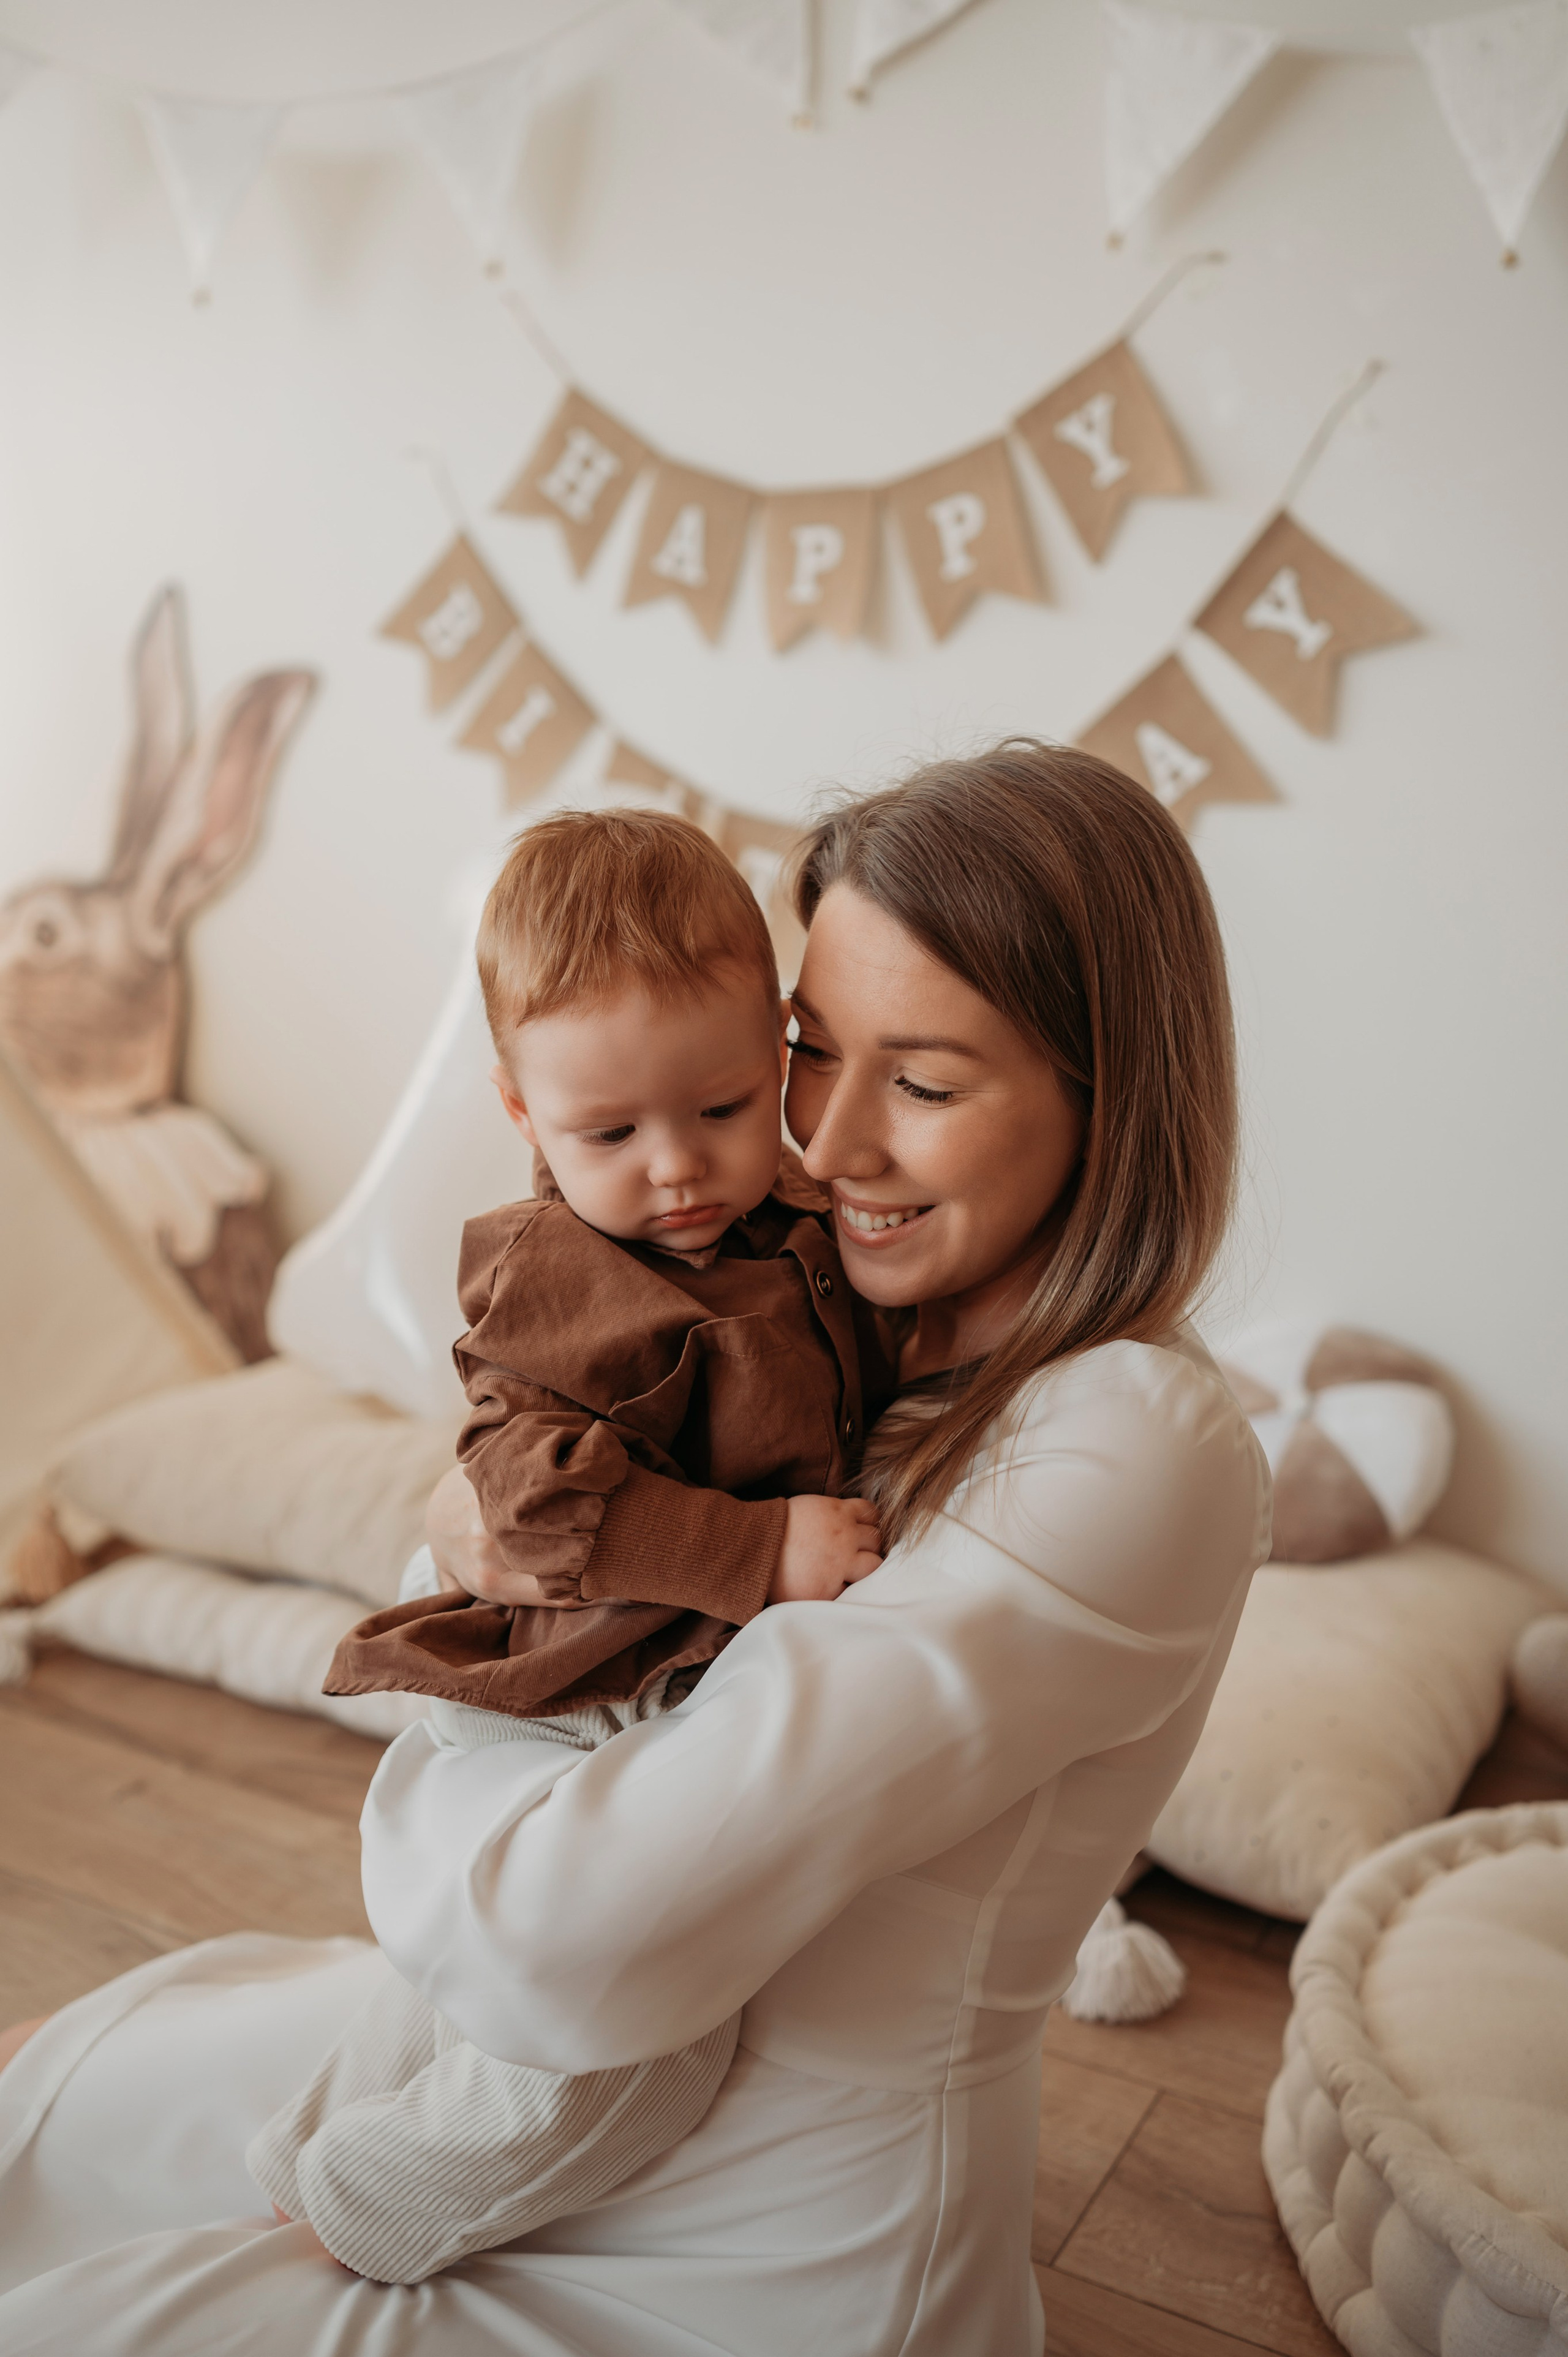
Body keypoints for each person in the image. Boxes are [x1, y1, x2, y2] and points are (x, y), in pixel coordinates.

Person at [0, 742, 1270, 2357]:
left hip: (755, 2229)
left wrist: (455, 1705)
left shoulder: (1128, 1439)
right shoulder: (837, 1296)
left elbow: (559, 1932)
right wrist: (491, 1525)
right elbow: (523, 1482)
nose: (831, 1140)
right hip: (540, 2011)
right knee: (46, 2099)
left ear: (1116, 1103)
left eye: (930, 1084)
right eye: (811, 1052)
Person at [249, 807, 887, 2285]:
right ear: (522, 1112)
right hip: (580, 1688)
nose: (677, 1169)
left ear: (778, 1052)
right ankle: (366, 2208)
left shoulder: (782, 1215)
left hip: (669, 1681)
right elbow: (535, 1509)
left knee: (467, 1996)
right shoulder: (555, 1278)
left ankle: (303, 2146)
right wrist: (755, 1551)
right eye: (610, 1134)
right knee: (631, 2034)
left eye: (723, 1107)